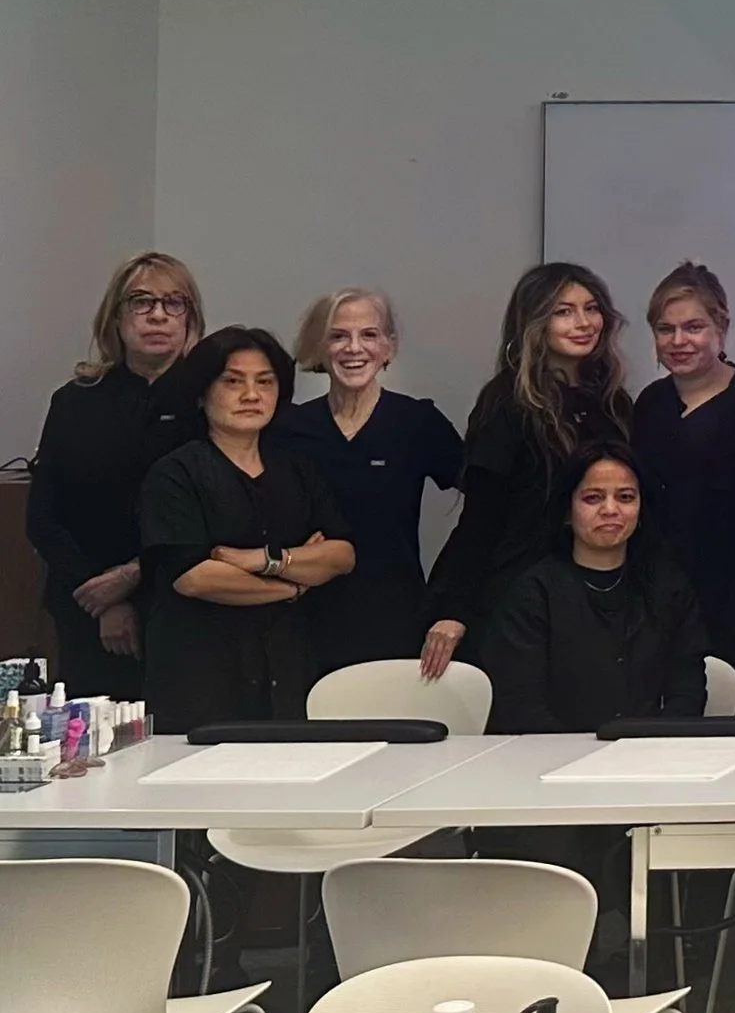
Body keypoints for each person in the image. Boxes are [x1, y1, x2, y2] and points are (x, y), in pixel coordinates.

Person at [137, 328, 355, 734]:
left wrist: (262, 561)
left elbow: (341, 555)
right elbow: (196, 577)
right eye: (233, 381)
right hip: (201, 677)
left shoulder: (297, 469)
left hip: (288, 671)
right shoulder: (176, 473)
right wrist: (294, 583)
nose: (251, 394)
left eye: (265, 382)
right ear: (201, 393)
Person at [423, 264, 633, 678]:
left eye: (591, 308)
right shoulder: (507, 403)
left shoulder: (614, 404)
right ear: (534, 322)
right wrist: (453, 608)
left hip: (596, 592)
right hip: (518, 591)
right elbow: (480, 519)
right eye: (564, 311)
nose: (583, 322)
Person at [28, 253, 204, 693]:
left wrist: (132, 577)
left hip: (183, 605)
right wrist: (101, 599)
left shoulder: (208, 403)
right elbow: (43, 517)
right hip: (85, 607)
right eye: (141, 302)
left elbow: (216, 515)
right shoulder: (74, 401)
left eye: (174, 302)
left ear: (190, 318)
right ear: (116, 316)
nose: (158, 315)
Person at [282, 288, 462, 670]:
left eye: (369, 334)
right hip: (300, 619)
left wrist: (453, 601)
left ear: (389, 347)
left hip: (397, 618)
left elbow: (488, 508)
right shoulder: (288, 428)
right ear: (318, 344)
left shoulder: (417, 423)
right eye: (338, 335)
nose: (354, 348)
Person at [480, 444, 709, 732]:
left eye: (625, 497)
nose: (610, 510)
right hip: (550, 761)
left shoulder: (669, 587)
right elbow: (520, 707)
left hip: (649, 756)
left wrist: (650, 745)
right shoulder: (532, 593)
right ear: (567, 510)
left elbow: (687, 692)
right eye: (593, 498)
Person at [629, 261, 735, 671]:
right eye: (665, 330)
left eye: (693, 327)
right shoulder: (649, 404)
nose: (678, 340)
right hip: (660, 598)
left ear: (721, 327)